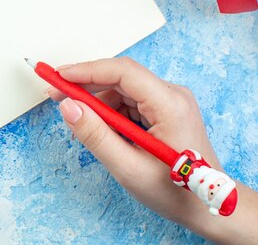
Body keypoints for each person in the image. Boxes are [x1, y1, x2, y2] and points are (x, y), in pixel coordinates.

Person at [46, 58, 258, 245]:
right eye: (217, 185)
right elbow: (194, 159)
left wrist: (198, 209)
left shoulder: (197, 188)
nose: (211, 186)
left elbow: (180, 180)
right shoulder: (201, 168)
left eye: (212, 192)